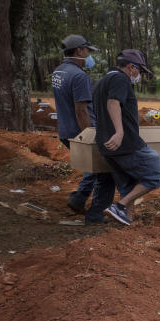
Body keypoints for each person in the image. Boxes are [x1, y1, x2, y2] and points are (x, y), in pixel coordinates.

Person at [92, 50, 160, 226]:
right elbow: (113, 102)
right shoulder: (120, 79)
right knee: (155, 175)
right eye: (139, 71)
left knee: (127, 184)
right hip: (125, 144)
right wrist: (119, 132)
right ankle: (120, 206)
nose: (139, 75)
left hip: (105, 144)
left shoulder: (101, 82)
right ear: (132, 67)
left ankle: (128, 219)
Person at [51, 35, 114, 225]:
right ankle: (95, 213)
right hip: (80, 130)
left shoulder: (58, 72)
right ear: (79, 51)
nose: (88, 55)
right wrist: (88, 136)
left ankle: (79, 199)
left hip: (65, 130)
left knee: (92, 166)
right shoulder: (79, 76)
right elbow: (81, 110)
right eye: (87, 51)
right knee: (104, 168)